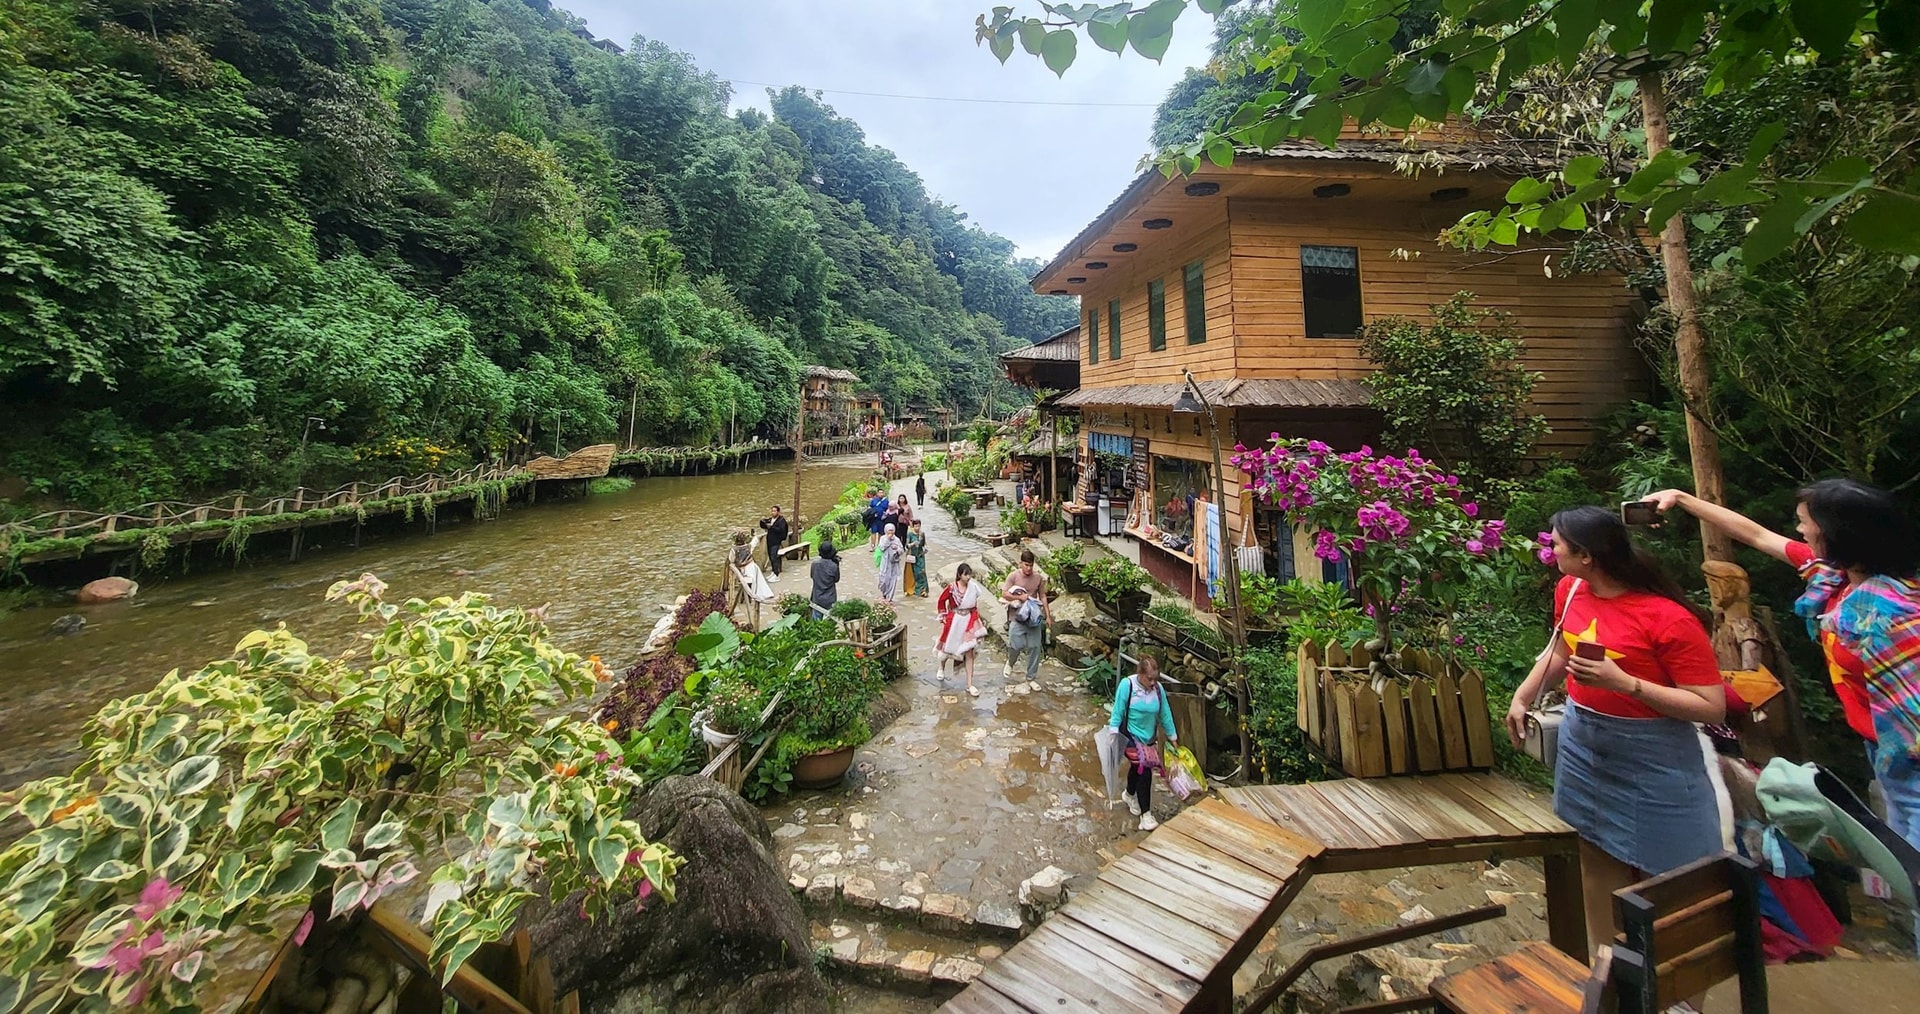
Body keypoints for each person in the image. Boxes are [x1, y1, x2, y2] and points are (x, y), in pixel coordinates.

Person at [1644, 482, 1920, 926]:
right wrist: (1683, 499)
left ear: (1835, 533)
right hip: (1887, 758)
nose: (1799, 529)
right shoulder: (1837, 582)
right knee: (1911, 884)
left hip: (1912, 761)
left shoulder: (1895, 610)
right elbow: (1756, 536)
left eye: (1806, 522)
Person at [1504, 506, 1729, 958]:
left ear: (1586, 555)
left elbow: (1710, 705)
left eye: (1556, 544)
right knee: (1595, 853)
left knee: (1672, 872)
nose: (1549, 549)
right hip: (1585, 741)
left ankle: (1673, 992)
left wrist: (1626, 684)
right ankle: (1610, 969)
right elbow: (1561, 649)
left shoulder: (1668, 618)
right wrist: (1523, 696)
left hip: (1654, 754)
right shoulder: (1571, 590)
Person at [1108, 654, 1179, 832]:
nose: (1153, 683)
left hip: (1148, 738)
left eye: (1156, 679)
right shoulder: (1128, 685)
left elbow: (1165, 713)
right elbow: (1118, 710)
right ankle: (1145, 815)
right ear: (1140, 674)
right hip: (1129, 735)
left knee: (1137, 768)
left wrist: (1173, 737)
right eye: (1150, 679)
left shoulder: (1158, 689)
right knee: (1144, 767)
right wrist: (1113, 733)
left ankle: (1129, 794)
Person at [1001, 549, 1051, 689]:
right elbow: (1004, 594)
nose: (1028, 568)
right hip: (1016, 617)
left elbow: (1042, 596)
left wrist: (1047, 615)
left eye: (1031, 565)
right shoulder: (1013, 577)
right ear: (1020, 563)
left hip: (1033, 617)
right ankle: (1010, 663)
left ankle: (1031, 677)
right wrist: (1019, 597)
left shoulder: (1038, 578)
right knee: (1015, 644)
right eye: (1026, 565)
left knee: (1035, 647)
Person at [936, 563, 985, 696]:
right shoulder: (952, 588)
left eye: (970, 574)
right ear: (960, 575)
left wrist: (976, 623)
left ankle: (970, 684)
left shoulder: (973, 588)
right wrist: (943, 616)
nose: (968, 577)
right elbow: (941, 601)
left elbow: (974, 607)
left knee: (969, 652)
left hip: (967, 622)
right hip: (954, 622)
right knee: (947, 648)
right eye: (965, 574)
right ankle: (941, 667)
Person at [809, 541, 841, 620]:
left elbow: (812, 576)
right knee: (830, 622)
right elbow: (836, 580)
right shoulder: (834, 566)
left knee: (816, 623)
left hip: (817, 597)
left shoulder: (814, 564)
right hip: (830, 598)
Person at [758, 505, 790, 579]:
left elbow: (781, 530)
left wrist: (772, 527)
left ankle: (776, 574)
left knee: (773, 557)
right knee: (770, 556)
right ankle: (773, 571)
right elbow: (764, 526)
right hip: (770, 540)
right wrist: (762, 521)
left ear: (778, 512)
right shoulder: (770, 519)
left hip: (776, 541)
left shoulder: (781, 520)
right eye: (772, 511)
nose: (773, 512)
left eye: (774, 511)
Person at [876, 523, 905, 605]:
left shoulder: (897, 540)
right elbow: (881, 547)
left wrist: (897, 549)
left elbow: (902, 550)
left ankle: (889, 598)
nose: (891, 532)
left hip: (894, 564)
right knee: (883, 580)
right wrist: (887, 540)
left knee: (893, 580)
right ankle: (884, 593)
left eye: (892, 530)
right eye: (889, 530)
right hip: (885, 563)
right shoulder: (883, 538)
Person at [906, 520, 928, 598]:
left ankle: (924, 590)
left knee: (922, 572)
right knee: (915, 572)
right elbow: (907, 545)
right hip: (913, 555)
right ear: (913, 526)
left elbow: (924, 544)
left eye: (918, 526)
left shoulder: (922, 534)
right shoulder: (910, 534)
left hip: (920, 555)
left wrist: (925, 548)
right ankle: (916, 589)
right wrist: (912, 544)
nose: (917, 528)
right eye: (916, 526)